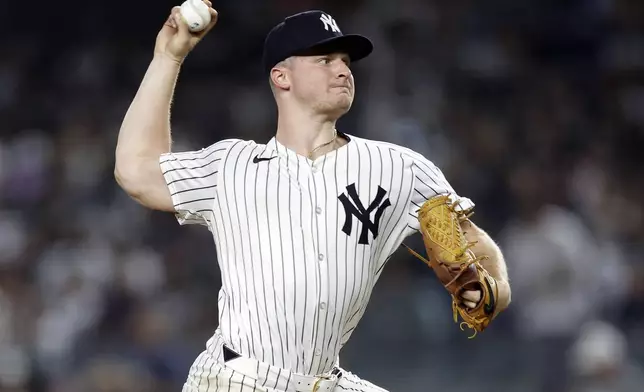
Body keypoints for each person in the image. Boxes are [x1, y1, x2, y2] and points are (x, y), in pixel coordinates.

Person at [114, 2, 512, 391]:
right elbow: (135, 170)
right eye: (324, 59)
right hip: (236, 378)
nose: (342, 69)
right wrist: (168, 57)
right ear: (282, 77)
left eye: (345, 60)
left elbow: (472, 242)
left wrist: (492, 288)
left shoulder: (400, 169)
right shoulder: (231, 165)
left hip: (323, 379)